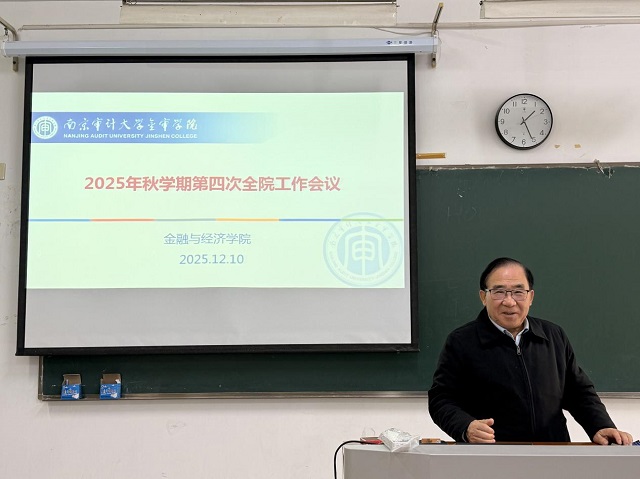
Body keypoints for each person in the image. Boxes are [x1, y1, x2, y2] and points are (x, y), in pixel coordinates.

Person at [428, 257, 633, 445]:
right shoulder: (462, 342)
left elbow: (578, 392)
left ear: (531, 296)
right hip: (492, 455)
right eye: (499, 292)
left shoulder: (553, 336)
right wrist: (465, 427)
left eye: (518, 292)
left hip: (552, 452)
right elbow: (441, 400)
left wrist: (600, 425)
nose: (509, 301)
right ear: (483, 296)